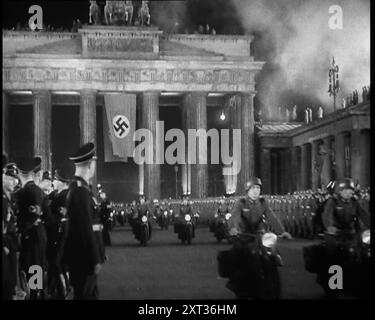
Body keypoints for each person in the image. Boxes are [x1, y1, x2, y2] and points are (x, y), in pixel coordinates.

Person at [63, 142, 102, 300]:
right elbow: (86, 229)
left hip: (78, 257)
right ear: (90, 165)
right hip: (83, 259)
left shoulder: (77, 188)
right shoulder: (80, 191)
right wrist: (95, 258)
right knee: (85, 295)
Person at [16, 157, 49, 300]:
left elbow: (26, 220)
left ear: (19, 174)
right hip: (40, 237)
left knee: (33, 275)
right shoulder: (39, 191)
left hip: (31, 239)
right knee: (37, 274)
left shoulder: (24, 193)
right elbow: (48, 216)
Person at [228, 178, 292, 239]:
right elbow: (234, 216)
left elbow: (272, 217)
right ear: (248, 191)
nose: (255, 191)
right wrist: (232, 228)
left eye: (258, 188)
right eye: (253, 188)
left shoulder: (262, 202)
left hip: (258, 233)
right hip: (243, 233)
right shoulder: (242, 202)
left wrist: (282, 232)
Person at [46, 169, 71, 299]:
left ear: (61, 182)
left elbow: (54, 216)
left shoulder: (63, 196)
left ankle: (62, 291)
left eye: (54, 180)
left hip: (59, 232)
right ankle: (56, 289)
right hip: (56, 233)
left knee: (55, 263)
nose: (52, 182)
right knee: (58, 263)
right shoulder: (58, 195)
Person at [2, 162, 21, 300]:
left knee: (34, 267)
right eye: (11, 178)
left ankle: (36, 292)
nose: (14, 181)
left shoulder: (13, 197)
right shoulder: (8, 198)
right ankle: (36, 292)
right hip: (10, 243)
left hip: (17, 241)